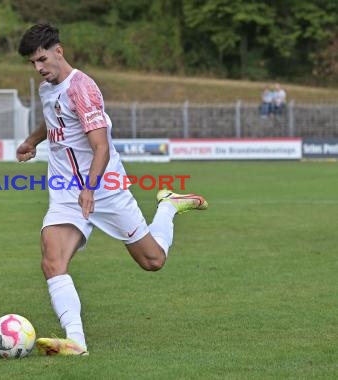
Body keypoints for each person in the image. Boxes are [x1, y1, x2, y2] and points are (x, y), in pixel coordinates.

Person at [16, 23, 208, 356]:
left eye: (42, 59)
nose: (38, 68)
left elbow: (100, 147)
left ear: (59, 51)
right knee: (52, 261)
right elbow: (54, 122)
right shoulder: (48, 88)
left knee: (153, 261)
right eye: (33, 63)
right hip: (65, 192)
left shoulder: (83, 88)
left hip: (104, 188)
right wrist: (32, 142)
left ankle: (168, 206)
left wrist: (90, 190)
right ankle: (77, 341)